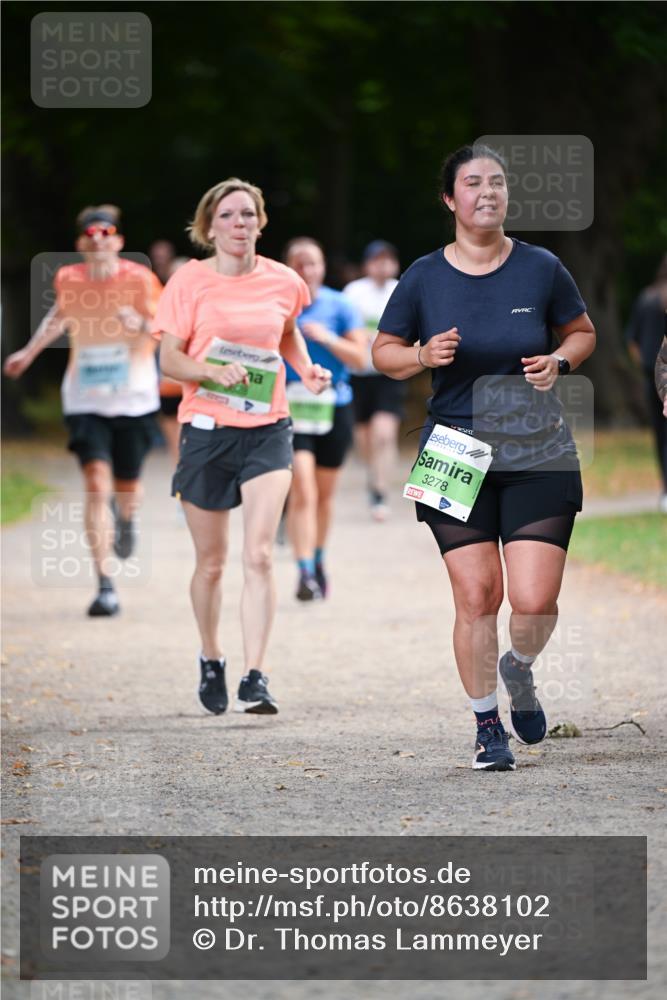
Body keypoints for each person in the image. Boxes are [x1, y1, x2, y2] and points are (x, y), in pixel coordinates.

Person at [372, 144, 596, 772]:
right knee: (477, 595)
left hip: (538, 448)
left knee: (532, 600)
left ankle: (518, 669)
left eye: (496, 183)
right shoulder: (422, 276)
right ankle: (485, 724)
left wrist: (560, 362)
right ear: (451, 199)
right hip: (454, 449)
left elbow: (582, 332)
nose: (487, 192)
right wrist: (420, 356)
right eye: (473, 183)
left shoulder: (541, 267)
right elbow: (382, 350)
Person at [153, 180, 331, 716]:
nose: (239, 223)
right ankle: (212, 656)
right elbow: (168, 360)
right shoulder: (189, 282)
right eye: (228, 216)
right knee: (211, 563)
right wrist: (209, 371)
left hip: (268, 427)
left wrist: (307, 370)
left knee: (257, 554)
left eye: (248, 214)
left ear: (260, 222)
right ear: (209, 227)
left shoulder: (284, 280)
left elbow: (286, 332)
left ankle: (256, 675)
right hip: (206, 430)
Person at [3, 204, 161, 617]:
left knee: (127, 488)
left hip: (134, 397)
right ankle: (105, 584)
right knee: (95, 482)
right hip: (85, 396)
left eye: (106, 235)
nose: (98, 241)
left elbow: (165, 329)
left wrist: (139, 324)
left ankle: (126, 520)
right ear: (79, 245)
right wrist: (29, 353)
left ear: (119, 242)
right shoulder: (68, 278)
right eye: (90, 237)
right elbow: (59, 316)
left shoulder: (141, 279)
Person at [283, 237, 366, 600]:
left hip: (335, 406)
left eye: (313, 263)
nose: (307, 270)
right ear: (288, 268)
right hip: (290, 408)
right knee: (303, 489)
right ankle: (303, 572)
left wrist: (328, 338)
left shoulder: (341, 305)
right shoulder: (278, 305)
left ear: (322, 268)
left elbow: (361, 359)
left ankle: (317, 560)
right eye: (299, 264)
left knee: (324, 496)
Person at [344, 240, 404, 521]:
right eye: (377, 260)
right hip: (358, 374)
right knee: (364, 438)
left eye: (387, 259)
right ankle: (373, 477)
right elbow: (343, 328)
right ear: (367, 265)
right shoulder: (354, 293)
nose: (383, 265)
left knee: (384, 434)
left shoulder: (400, 290)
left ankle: (380, 490)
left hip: (389, 374)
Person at [625, 256, 667, 512]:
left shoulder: (646, 298)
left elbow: (632, 340)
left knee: (660, 435)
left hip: (651, 377)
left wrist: (644, 367)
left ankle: (665, 490)